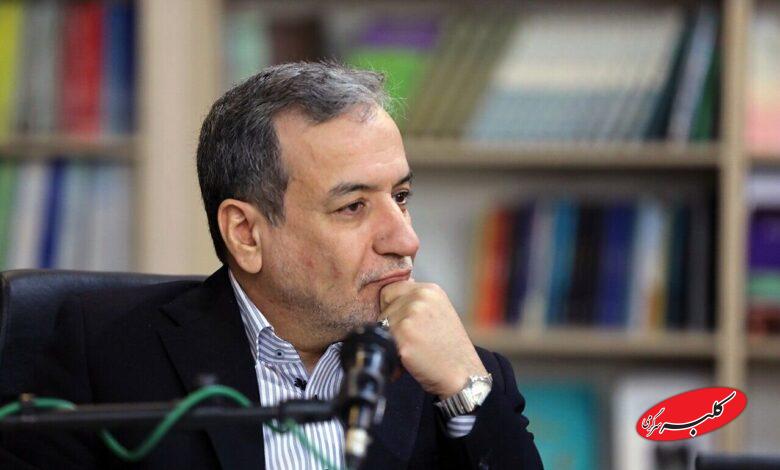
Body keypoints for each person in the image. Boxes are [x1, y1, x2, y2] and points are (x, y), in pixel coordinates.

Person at [2, 62, 542, 469]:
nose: (406, 239)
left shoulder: (460, 376)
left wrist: (466, 389)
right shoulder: (106, 354)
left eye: (400, 197)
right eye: (353, 206)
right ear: (246, 233)